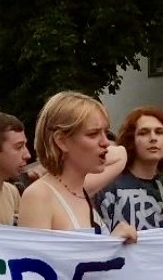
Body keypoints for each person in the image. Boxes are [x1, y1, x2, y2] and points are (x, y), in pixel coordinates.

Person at [18, 91, 136, 239]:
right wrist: (111, 243)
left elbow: (121, 154)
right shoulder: (39, 196)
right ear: (62, 141)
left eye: (105, 133)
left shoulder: (80, 189)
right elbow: (34, 255)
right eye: (93, 134)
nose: (105, 142)